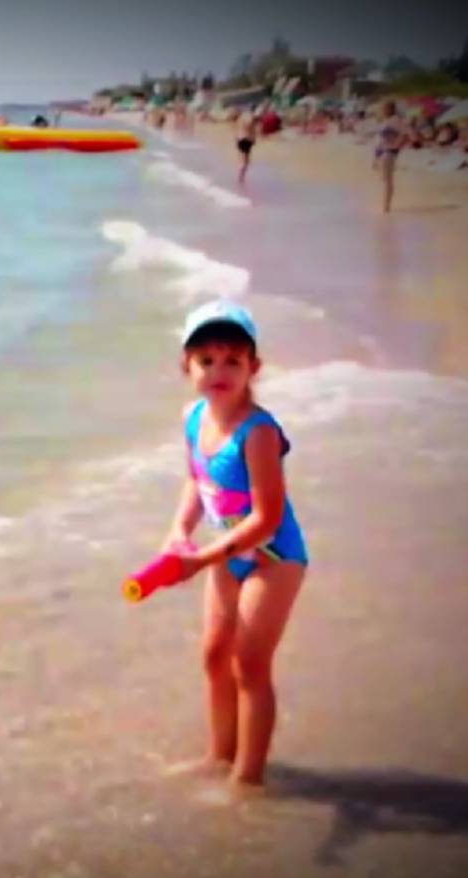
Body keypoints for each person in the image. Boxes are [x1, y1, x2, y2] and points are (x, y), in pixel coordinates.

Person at [157, 301, 309, 796]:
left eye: (232, 361)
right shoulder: (193, 417)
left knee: (249, 663)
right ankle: (219, 755)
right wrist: (179, 531)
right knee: (214, 655)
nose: (219, 372)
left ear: (253, 368)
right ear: (186, 366)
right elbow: (197, 481)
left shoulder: (258, 432)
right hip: (228, 552)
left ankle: (248, 778)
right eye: (206, 360)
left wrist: (201, 559)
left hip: (274, 558)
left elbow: (267, 518)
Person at [372, 101, 405, 213]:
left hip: (389, 151)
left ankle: (386, 207)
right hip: (382, 151)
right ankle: (386, 205)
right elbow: (380, 138)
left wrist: (396, 145)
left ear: (391, 109)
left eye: (384, 108)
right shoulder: (386, 121)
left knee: (387, 180)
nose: (382, 111)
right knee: (384, 179)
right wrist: (375, 157)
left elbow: (404, 133)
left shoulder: (395, 120)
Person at [235, 109, 258, 185]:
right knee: (246, 161)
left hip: (239, 138)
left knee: (242, 158)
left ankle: (240, 176)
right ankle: (241, 177)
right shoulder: (251, 118)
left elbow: (237, 128)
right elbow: (252, 129)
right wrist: (254, 139)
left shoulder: (241, 117)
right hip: (247, 139)